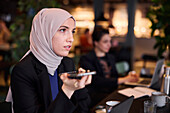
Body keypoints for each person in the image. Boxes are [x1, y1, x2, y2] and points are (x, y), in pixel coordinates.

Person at [6, 8, 92, 113]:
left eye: (72, 31)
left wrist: (80, 88)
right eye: (63, 30)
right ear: (45, 32)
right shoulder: (23, 71)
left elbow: (83, 109)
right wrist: (67, 90)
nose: (71, 38)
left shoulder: (66, 63)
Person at [79, 27, 139, 108]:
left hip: (112, 93)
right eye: (105, 41)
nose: (109, 45)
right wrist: (125, 79)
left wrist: (129, 77)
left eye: (110, 41)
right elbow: (96, 81)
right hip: (96, 97)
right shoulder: (86, 59)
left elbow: (115, 77)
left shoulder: (110, 57)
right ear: (96, 42)